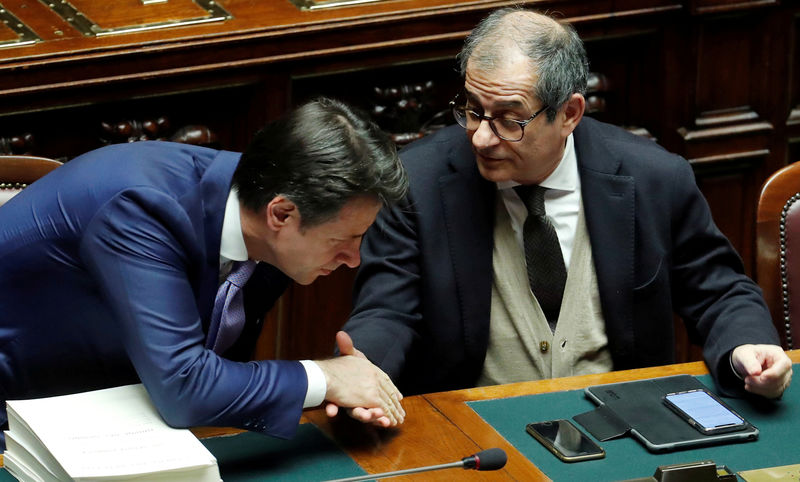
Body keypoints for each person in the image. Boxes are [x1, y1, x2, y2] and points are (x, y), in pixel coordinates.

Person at [342, 8, 792, 400]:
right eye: (474, 110)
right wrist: (363, 368)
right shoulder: (415, 183)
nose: (481, 136)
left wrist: (747, 348)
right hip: (474, 433)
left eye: (509, 120)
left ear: (570, 114)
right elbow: (388, 310)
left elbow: (718, 289)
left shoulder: (654, 177)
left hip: (625, 422)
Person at [0, 97, 408, 451]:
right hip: (19, 423)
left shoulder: (265, 207)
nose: (353, 259)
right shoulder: (141, 211)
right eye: (343, 239)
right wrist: (323, 378)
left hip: (124, 412)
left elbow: (208, 373)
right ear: (281, 213)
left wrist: (333, 387)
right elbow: (184, 386)